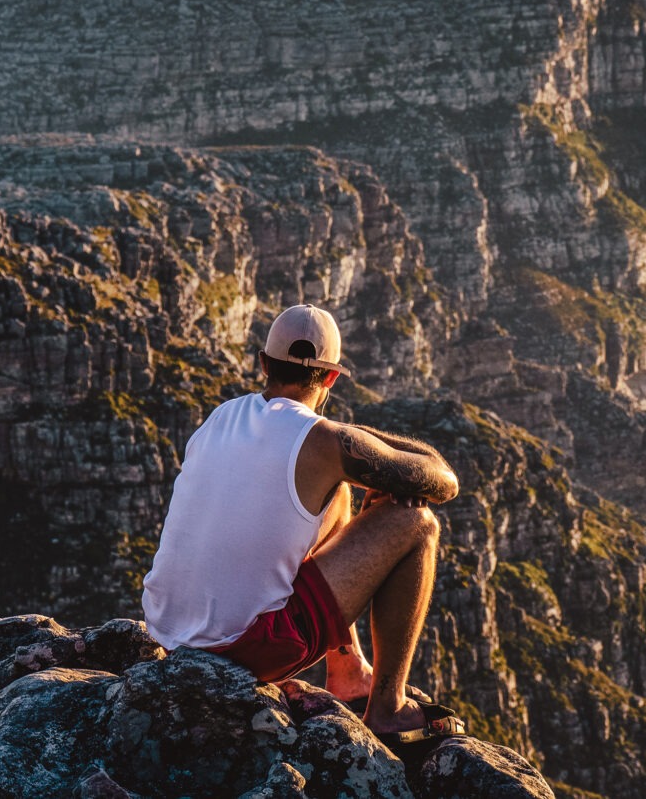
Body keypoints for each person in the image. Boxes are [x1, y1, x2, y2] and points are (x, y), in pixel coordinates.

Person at [140, 303, 460, 736]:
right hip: (242, 649)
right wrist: (353, 438)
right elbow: (441, 482)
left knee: (336, 492)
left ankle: (348, 669)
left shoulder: (222, 416)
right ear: (331, 377)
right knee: (418, 524)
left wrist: (343, 439)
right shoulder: (325, 443)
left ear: (263, 363)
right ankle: (389, 706)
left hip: (166, 631)